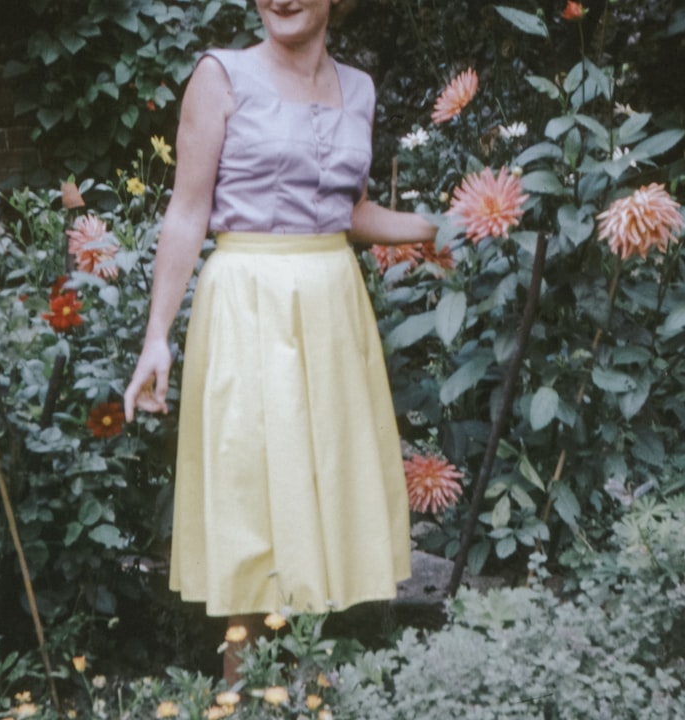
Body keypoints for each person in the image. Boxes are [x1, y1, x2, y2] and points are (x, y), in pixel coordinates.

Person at [122, 0, 436, 683]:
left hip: (330, 306)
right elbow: (187, 209)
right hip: (247, 301)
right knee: (250, 483)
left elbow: (347, 210)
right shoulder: (221, 76)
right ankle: (242, 682)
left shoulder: (359, 88)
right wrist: (156, 338)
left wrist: (439, 227)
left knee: (319, 475)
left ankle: (308, 670)